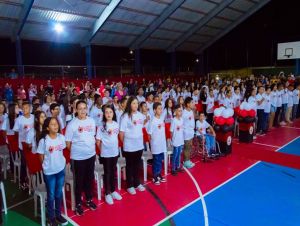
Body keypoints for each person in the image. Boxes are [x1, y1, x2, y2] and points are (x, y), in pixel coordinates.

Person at [65, 100, 97, 216]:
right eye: (80, 108)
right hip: (78, 158)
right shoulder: (72, 124)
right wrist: (78, 152)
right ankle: (78, 203)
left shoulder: (92, 121)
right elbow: (68, 143)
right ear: (76, 110)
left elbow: (92, 136)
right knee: (78, 181)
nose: (83, 110)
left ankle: (89, 200)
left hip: (91, 155)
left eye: (85, 108)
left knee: (89, 179)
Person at [36, 117, 68, 226]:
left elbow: (62, 151)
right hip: (49, 172)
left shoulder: (61, 138)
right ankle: (51, 218)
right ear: (47, 127)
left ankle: (58, 214)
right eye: (52, 124)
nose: (55, 126)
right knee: (51, 195)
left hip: (60, 170)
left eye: (56, 124)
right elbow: (40, 156)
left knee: (58, 194)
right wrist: (46, 166)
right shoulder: (43, 141)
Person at [96, 105, 122, 205]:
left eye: (110, 112)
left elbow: (116, 138)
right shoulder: (101, 126)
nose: (108, 114)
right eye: (106, 112)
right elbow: (98, 141)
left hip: (114, 152)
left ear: (113, 113)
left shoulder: (116, 124)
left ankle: (113, 191)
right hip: (105, 154)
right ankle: (107, 193)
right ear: (104, 114)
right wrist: (103, 151)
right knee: (107, 172)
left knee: (113, 171)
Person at [119, 96, 146, 195]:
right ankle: (130, 185)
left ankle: (137, 183)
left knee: (137, 165)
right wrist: (126, 143)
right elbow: (121, 133)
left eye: (136, 103)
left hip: (139, 145)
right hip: (129, 147)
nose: (135, 105)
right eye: (133, 103)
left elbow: (140, 129)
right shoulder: (125, 116)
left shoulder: (140, 115)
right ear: (130, 104)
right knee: (129, 166)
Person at [13, 101, 34, 189]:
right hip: (23, 145)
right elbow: (15, 130)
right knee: (24, 163)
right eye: (24, 108)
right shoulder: (19, 119)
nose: (25, 109)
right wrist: (22, 137)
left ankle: (34, 180)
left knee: (33, 163)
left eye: (27, 108)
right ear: (22, 109)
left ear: (30, 108)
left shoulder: (33, 117)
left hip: (33, 144)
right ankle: (23, 181)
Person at [147, 102, 167, 185]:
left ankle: (159, 174)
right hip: (155, 144)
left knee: (160, 160)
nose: (160, 110)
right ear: (154, 110)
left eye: (161, 108)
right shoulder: (152, 121)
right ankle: (155, 176)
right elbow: (149, 134)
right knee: (156, 161)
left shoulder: (161, 119)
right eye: (159, 108)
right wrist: (152, 144)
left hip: (162, 144)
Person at [170, 105, 184, 176]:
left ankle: (177, 166)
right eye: (179, 111)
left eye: (181, 111)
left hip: (180, 140)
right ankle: (173, 168)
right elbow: (171, 131)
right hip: (175, 140)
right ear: (175, 112)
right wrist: (172, 140)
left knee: (179, 154)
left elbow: (181, 130)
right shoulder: (174, 120)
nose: (180, 112)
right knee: (175, 155)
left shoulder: (181, 119)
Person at [182, 97, 195, 169]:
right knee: (186, 148)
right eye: (192, 103)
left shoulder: (191, 111)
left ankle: (188, 160)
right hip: (186, 133)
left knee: (189, 147)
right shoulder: (184, 113)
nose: (193, 104)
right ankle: (185, 162)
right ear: (188, 104)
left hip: (191, 132)